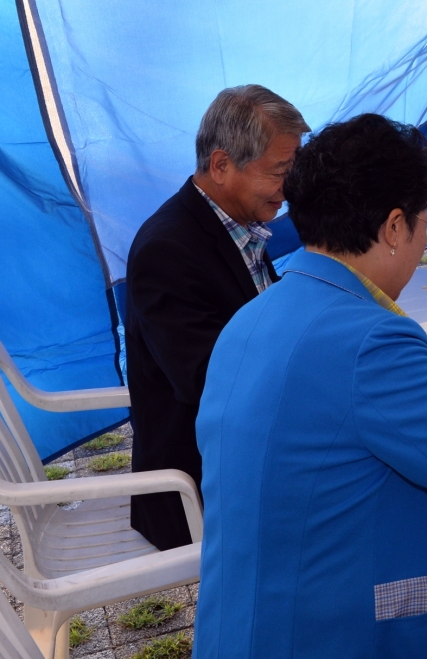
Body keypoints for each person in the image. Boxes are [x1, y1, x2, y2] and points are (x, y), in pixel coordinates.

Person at [194, 114, 427, 659]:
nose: (421, 244)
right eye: (423, 227)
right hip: (333, 630)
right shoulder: (373, 339)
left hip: (243, 620)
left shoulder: (252, 314)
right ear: (393, 227)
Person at [125, 85, 308, 551]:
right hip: (202, 486)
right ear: (222, 165)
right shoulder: (167, 249)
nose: (290, 189)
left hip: (246, 451)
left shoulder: (233, 221)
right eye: (280, 172)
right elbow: (206, 379)